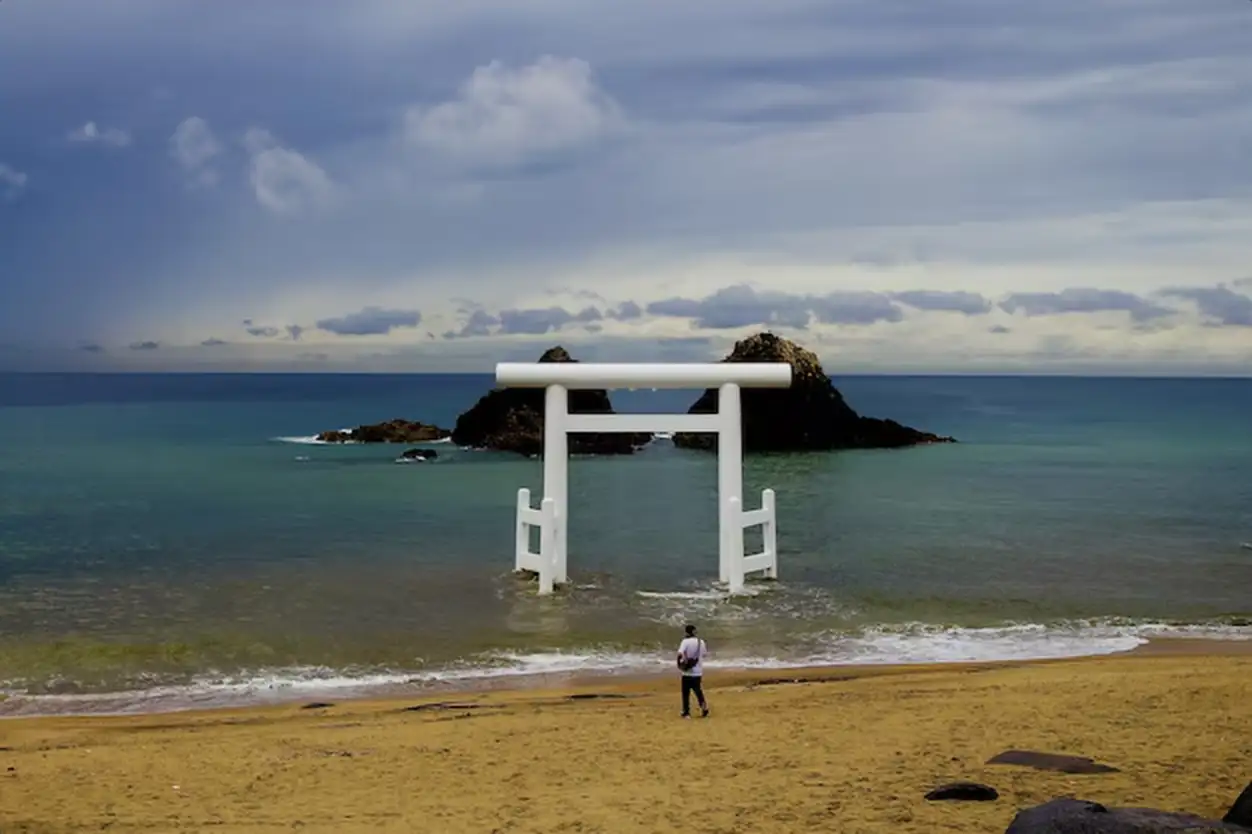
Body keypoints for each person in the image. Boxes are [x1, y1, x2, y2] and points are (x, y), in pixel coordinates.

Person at [676, 624, 709, 718]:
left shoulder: (685, 642)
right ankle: (704, 707)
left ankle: (686, 712)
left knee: (685, 693)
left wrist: (680, 664)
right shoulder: (701, 642)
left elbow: (680, 654)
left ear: (686, 632)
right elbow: (704, 654)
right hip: (698, 671)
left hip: (687, 672)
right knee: (698, 691)